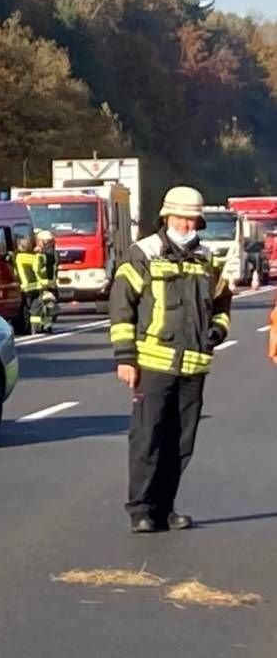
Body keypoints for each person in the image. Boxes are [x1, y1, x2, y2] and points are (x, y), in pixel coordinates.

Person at [110, 186, 231, 534]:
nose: (187, 224)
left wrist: (217, 333)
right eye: (181, 217)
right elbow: (121, 310)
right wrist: (125, 358)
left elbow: (222, 303)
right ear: (166, 217)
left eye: (193, 219)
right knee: (147, 438)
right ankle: (140, 509)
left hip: (194, 365)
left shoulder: (208, 259)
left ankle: (165, 507)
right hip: (153, 364)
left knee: (181, 442)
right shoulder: (142, 254)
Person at [14, 235, 48, 335]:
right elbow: (38, 272)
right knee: (35, 310)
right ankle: (36, 329)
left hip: (24, 288)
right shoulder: (34, 258)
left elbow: (15, 271)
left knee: (25, 309)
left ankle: (29, 328)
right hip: (36, 287)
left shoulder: (17, 258)